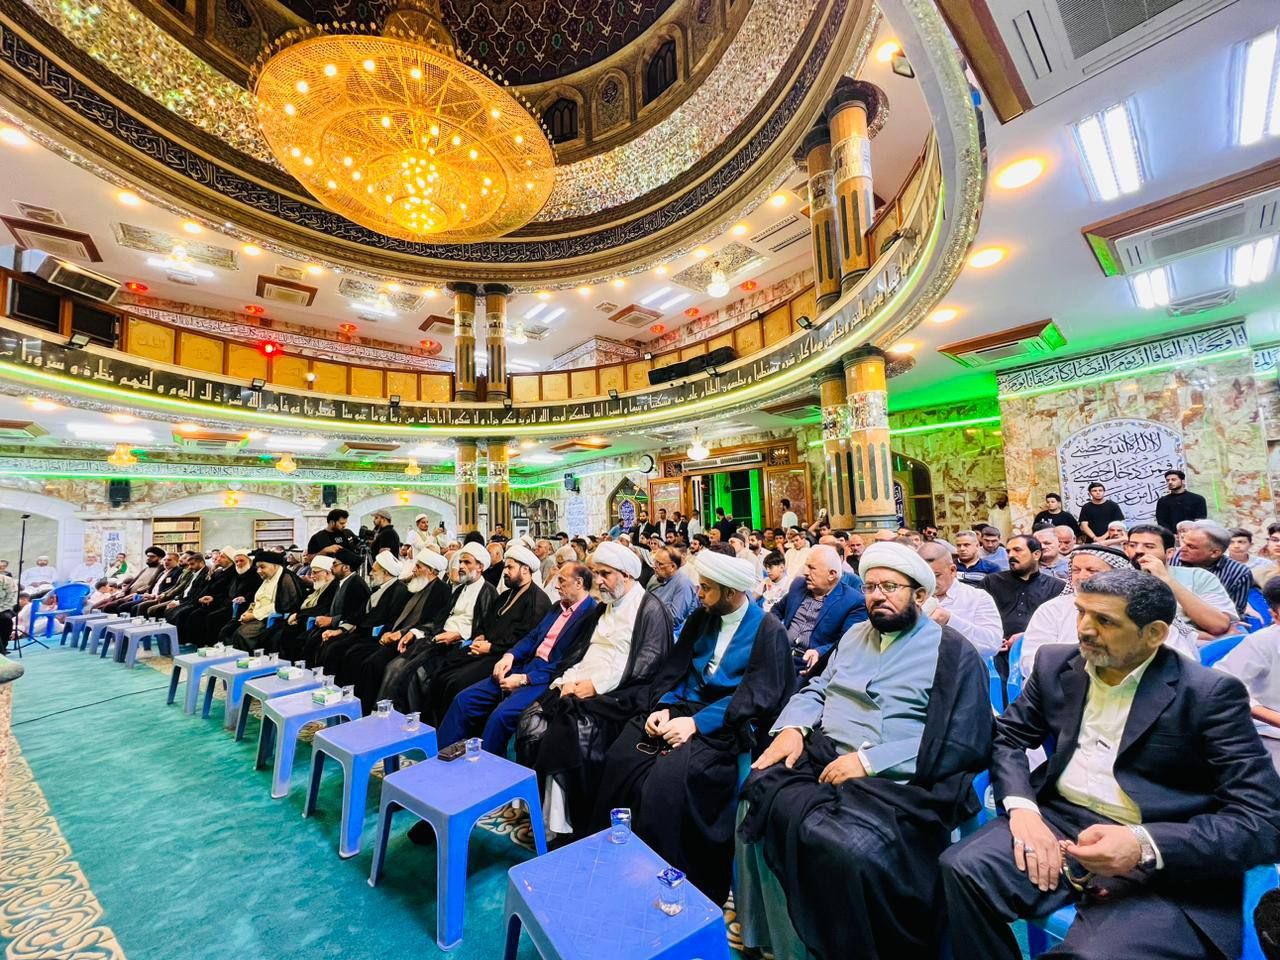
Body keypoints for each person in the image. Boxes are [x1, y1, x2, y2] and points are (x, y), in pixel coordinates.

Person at [940, 569, 1280, 960]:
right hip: (1059, 821)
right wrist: (1023, 811)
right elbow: (1009, 737)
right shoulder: (1057, 665)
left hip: (1158, 843)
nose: (1084, 629)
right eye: (1081, 612)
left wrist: (1143, 844)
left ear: (1154, 634)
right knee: (961, 870)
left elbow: (1263, 821)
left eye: (1104, 620)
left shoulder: (1207, 695)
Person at [736, 542, 992, 959]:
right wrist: (794, 727)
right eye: (871, 587)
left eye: (890, 587)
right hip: (824, 756)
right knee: (755, 794)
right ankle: (772, 939)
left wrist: (869, 761)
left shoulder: (952, 652)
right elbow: (818, 688)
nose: (877, 596)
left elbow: (960, 737)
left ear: (919, 595)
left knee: (846, 849)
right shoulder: (855, 635)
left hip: (902, 779)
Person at [595, 551, 793, 904]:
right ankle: (618, 860)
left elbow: (758, 695)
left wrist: (696, 724)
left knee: (666, 783)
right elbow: (677, 670)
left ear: (730, 592)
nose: (698, 593)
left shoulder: (768, 630)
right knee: (622, 756)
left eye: (706, 588)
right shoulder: (702, 618)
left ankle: (663, 881)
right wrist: (663, 707)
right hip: (682, 708)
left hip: (726, 722)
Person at [517, 541, 673, 842]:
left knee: (569, 729)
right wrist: (567, 681)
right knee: (532, 718)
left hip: (621, 694)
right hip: (582, 682)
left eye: (605, 574)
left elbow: (645, 665)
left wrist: (594, 687)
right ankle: (539, 808)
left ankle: (565, 823)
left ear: (627, 575)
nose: (598, 581)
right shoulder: (605, 606)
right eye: (596, 573)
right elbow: (582, 652)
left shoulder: (650, 609)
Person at [437, 562, 599, 756]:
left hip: (546, 677)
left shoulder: (590, 614)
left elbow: (568, 662)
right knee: (464, 700)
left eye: (562, 581)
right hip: (526, 664)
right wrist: (510, 655)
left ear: (579, 583)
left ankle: (486, 769)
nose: (556, 586)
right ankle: (439, 757)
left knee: (500, 717)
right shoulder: (558, 607)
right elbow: (533, 637)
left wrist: (525, 679)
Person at [417, 544, 551, 723]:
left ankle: (452, 732)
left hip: (503, 657)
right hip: (484, 649)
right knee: (441, 671)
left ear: (525, 570)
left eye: (510, 567)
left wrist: (491, 647)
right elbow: (486, 621)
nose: (505, 571)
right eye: (505, 567)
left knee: (456, 683)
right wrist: (480, 636)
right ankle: (430, 727)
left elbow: (525, 639)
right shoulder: (506, 595)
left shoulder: (538, 601)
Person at [381, 542, 497, 710]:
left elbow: (484, 629)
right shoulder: (459, 590)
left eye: (467, 562)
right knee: (396, 666)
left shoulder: (488, 592)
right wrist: (414, 632)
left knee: (417, 675)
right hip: (437, 639)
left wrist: (458, 635)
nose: (461, 566)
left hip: (458, 646)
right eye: (460, 562)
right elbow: (439, 620)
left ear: (480, 567)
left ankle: (414, 720)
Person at [353, 549, 453, 710]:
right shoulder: (417, 585)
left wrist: (401, 633)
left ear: (431, 570)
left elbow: (433, 623)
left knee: (377, 664)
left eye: (418, 567)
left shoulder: (441, 591)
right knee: (360, 655)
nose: (414, 570)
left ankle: (376, 710)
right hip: (398, 636)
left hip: (415, 641)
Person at [1019, 545, 1140, 676]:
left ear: (1117, 574)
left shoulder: (1135, 608)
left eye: (1092, 570)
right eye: (1076, 570)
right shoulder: (1052, 610)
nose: (1082, 576)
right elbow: (1032, 661)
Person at [1216, 575, 1280, 773]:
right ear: (1275, 616)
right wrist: (1272, 717)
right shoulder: (1262, 643)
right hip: (1271, 735)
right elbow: (1221, 686)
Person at [773, 544, 867, 674]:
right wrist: (775, 633)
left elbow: (848, 642)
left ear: (831, 574)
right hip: (779, 653)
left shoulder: (854, 601)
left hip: (811, 664)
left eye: (812, 568)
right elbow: (776, 610)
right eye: (806, 566)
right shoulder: (799, 585)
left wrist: (820, 652)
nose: (805, 572)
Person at [313, 552, 406, 681]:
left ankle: (343, 688)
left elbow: (393, 621)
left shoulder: (400, 591)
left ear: (385, 572)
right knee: (331, 644)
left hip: (377, 637)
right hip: (362, 632)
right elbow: (358, 615)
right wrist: (340, 630)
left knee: (346, 652)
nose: (370, 573)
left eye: (374, 570)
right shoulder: (378, 588)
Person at [919, 541, 1003, 658]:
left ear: (952, 570)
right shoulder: (911, 598)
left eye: (936, 575)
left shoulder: (977, 598)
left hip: (964, 667)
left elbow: (992, 645)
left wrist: (949, 620)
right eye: (923, 577)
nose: (930, 582)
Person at [218, 549, 305, 648]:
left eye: (262, 567)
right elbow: (259, 599)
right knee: (227, 630)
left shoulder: (286, 578)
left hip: (274, 619)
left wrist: (254, 615)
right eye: (257, 568)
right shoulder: (268, 576)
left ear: (274, 566)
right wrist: (248, 611)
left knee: (242, 633)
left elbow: (283, 606)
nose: (259, 571)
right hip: (258, 615)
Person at [1171, 519, 1253, 617]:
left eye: (1191, 547)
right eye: (1183, 543)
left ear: (1214, 553)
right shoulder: (1172, 557)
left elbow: (1235, 613)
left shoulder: (1238, 573)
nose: (1182, 549)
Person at [301, 549, 370, 664]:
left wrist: (332, 620)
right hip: (337, 624)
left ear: (346, 568)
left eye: (335, 564)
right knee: (310, 637)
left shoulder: (356, 585)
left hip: (349, 629)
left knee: (330, 648)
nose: (331, 567)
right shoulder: (342, 582)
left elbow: (356, 614)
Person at [272, 554, 336, 662]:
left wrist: (298, 616)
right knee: (273, 631)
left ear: (328, 573)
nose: (311, 576)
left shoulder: (333, 587)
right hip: (301, 620)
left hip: (311, 624)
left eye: (315, 572)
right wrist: (294, 614)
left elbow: (322, 608)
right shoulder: (318, 587)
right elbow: (300, 603)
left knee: (286, 636)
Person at [645, 545, 699, 636]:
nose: (654, 566)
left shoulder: (683, 584)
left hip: (668, 634)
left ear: (673, 566)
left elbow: (674, 620)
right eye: (655, 561)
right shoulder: (655, 577)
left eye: (660, 564)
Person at [0, 569, 16, 654]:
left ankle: (3, 646)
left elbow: (12, 599)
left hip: (4, 609)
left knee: (6, 620)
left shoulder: (8, 581)